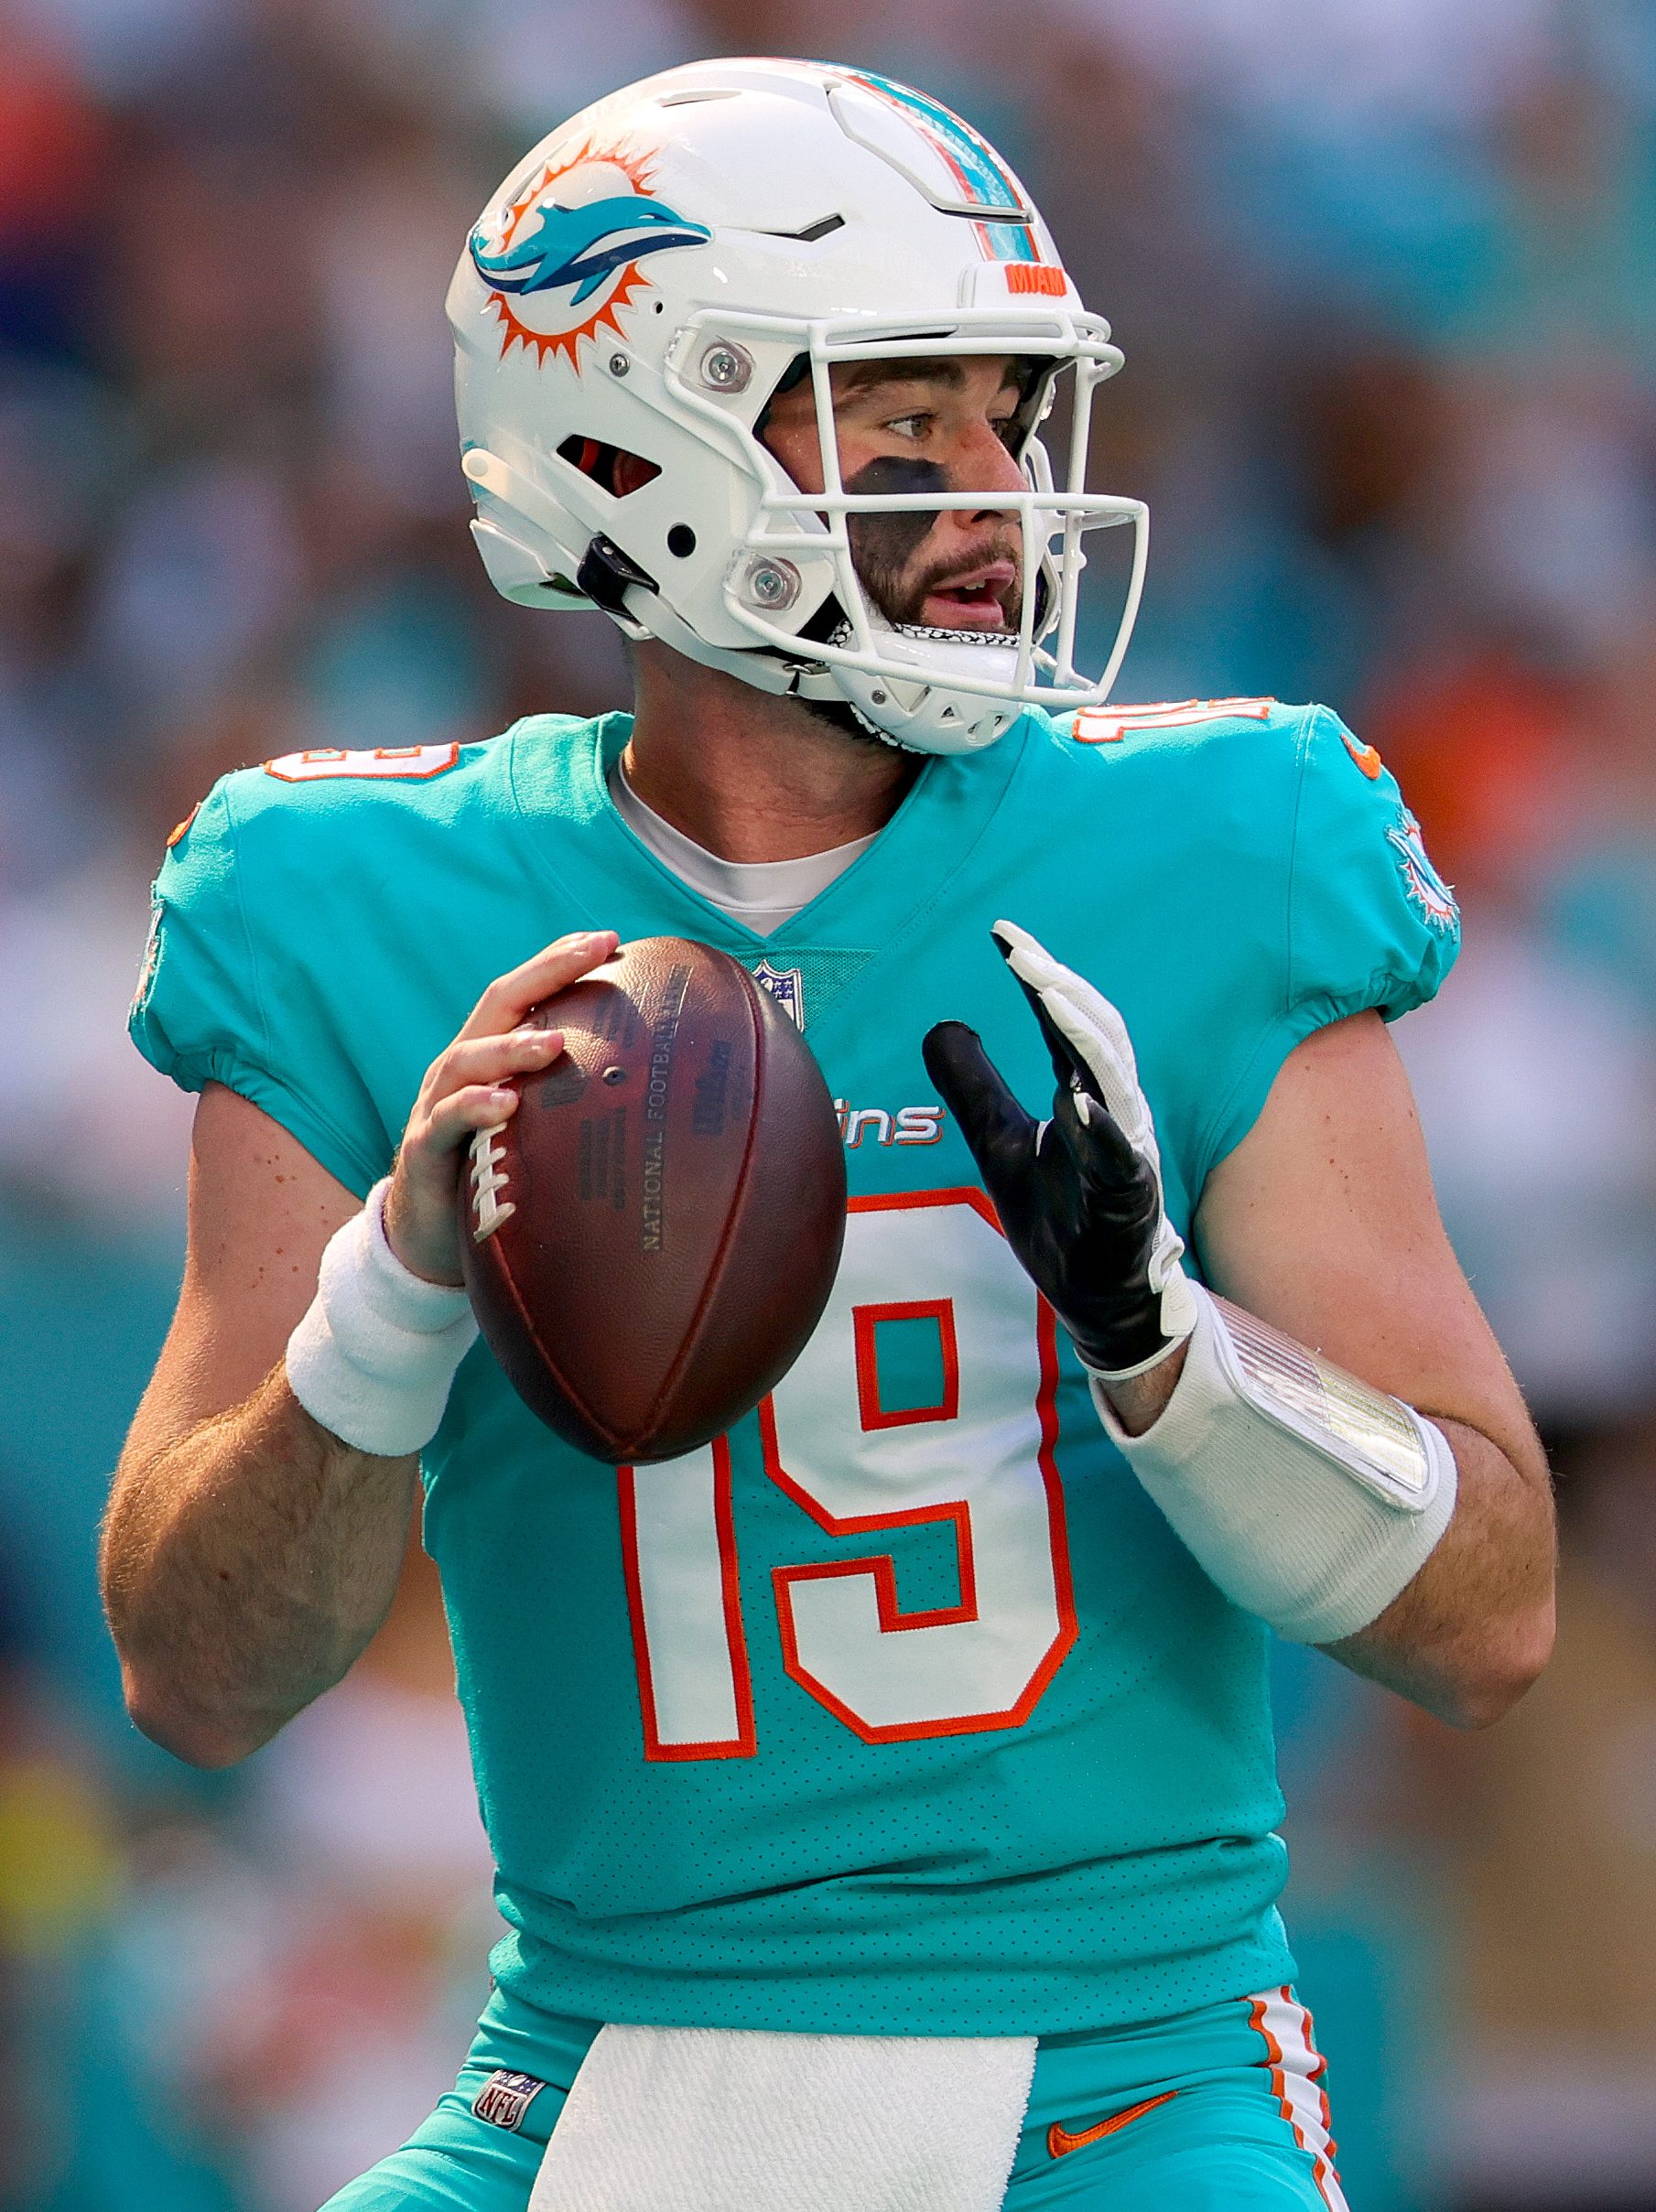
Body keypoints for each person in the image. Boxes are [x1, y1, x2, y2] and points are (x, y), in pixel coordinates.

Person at [103, 58, 1554, 2212]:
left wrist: (1165, 1343)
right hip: (585, 2072)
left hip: (1123, 2078)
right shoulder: (356, 913)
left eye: (1005, 414)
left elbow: (1488, 1617)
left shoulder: (1207, 845)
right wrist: (390, 1302)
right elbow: (200, 1681)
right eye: (900, 426)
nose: (990, 494)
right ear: (630, 445)